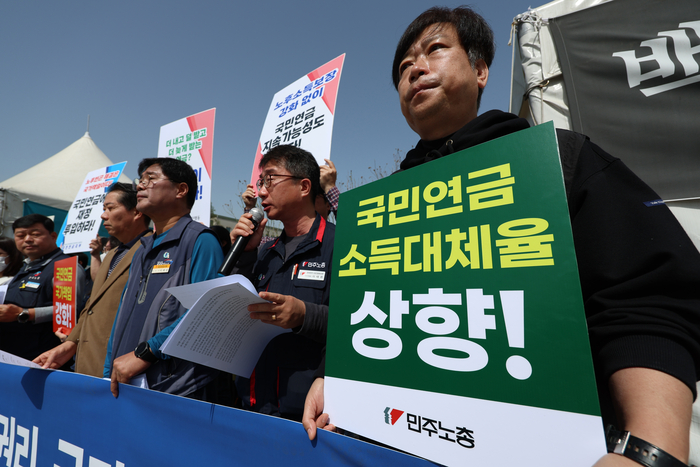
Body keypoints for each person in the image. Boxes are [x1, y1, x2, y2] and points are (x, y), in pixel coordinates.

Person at [303, 7, 700, 467]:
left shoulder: (559, 161)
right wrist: (330, 375)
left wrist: (650, 449)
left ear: (480, 69)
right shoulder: (381, 207)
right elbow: (364, 309)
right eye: (402, 68)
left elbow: (650, 298)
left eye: (434, 49)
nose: (415, 68)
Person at [105, 158, 223, 400]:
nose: (141, 185)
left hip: (172, 386)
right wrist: (109, 370)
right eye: (141, 180)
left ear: (181, 190)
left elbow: (205, 314)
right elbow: (122, 315)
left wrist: (145, 354)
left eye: (151, 178)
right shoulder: (142, 248)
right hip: (125, 379)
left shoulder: (200, 240)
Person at [232, 144, 334, 421]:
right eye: (260, 182)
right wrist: (245, 255)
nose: (261, 192)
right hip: (253, 403)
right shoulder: (264, 251)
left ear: (304, 186)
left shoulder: (342, 244)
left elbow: (362, 322)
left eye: (270, 180)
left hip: (306, 414)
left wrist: (304, 315)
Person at [33, 183, 151, 377]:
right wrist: (71, 343)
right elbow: (93, 303)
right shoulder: (112, 254)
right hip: (88, 361)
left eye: (111, 208)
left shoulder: (152, 251)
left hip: (122, 365)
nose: (103, 215)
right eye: (104, 209)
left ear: (137, 212)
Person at [0, 214, 86, 361]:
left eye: (35, 234)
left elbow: (70, 310)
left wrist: (24, 313)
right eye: (20, 235)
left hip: (40, 360)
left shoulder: (64, 267)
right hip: (11, 354)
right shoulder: (26, 267)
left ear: (53, 236)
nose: (27, 239)